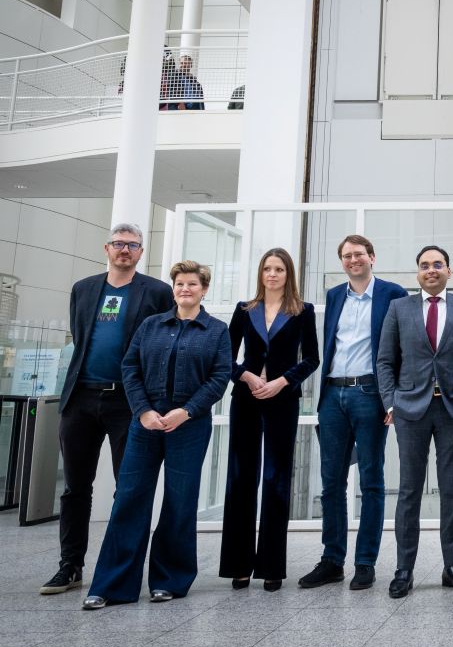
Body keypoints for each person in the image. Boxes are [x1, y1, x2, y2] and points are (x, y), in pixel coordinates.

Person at [82, 261, 231, 609]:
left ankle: (170, 581)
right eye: (180, 283)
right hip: (145, 422)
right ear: (173, 288)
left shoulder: (216, 330)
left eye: (193, 284)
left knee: (179, 501)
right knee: (130, 498)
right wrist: (143, 411)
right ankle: (112, 584)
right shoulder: (150, 325)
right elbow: (130, 367)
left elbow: (219, 377)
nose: (185, 289)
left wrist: (187, 411)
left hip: (189, 425)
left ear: (204, 290)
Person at [42, 224, 173, 596]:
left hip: (128, 401)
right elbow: (80, 337)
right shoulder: (84, 289)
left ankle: (121, 568)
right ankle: (70, 566)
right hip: (81, 398)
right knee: (75, 487)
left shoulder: (157, 292)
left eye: (132, 246)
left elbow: (163, 340)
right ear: (107, 248)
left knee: (128, 487)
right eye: (119, 244)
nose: (125, 251)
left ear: (141, 252)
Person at [299, 235, 407, 591]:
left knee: (371, 480)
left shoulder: (393, 294)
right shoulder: (333, 296)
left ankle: (365, 562)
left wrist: (393, 398)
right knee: (331, 481)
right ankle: (332, 560)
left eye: (359, 254)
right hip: (332, 393)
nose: (353, 260)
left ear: (372, 257)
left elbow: (402, 349)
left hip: (369, 393)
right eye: (346, 256)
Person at [376, 245, 453, 599]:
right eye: (424, 265)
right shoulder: (399, 308)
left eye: (438, 264)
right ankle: (404, 568)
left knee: (452, 490)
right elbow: (385, 361)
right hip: (410, 410)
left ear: (450, 271)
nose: (431, 270)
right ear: (417, 273)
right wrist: (391, 401)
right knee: (409, 491)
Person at [219, 249, 319, 591]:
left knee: (277, 481)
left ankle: (271, 566)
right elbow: (225, 357)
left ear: (288, 274)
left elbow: (312, 359)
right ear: (260, 273)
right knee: (241, 478)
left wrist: (281, 381)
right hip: (246, 399)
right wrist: (247, 377)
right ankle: (238, 565)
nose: (272, 274)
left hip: (282, 400)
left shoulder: (303, 312)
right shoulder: (244, 310)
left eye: (278, 269)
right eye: (267, 269)